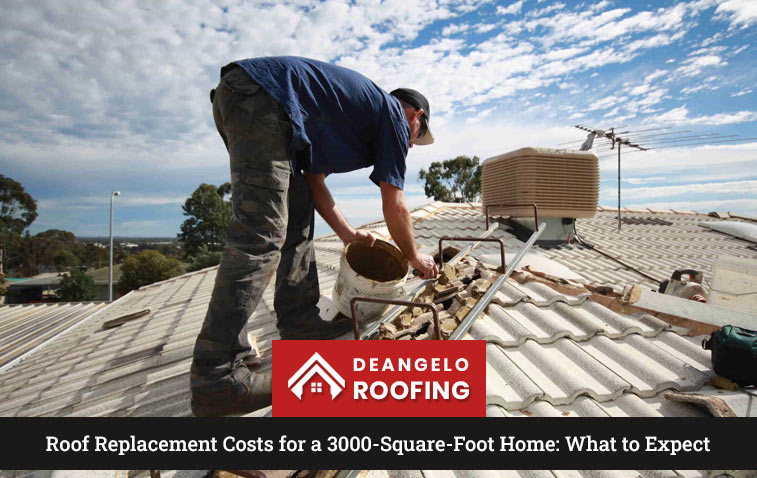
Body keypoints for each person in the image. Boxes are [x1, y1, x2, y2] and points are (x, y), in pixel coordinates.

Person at [190, 56, 439, 417]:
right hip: (262, 97)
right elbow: (395, 203)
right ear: (414, 115)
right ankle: (216, 378)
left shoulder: (342, 116)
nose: (412, 145)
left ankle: (299, 322)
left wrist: (347, 234)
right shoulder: (393, 117)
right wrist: (415, 257)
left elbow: (314, 183)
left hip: (254, 99)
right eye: (419, 134)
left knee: (295, 213)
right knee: (261, 236)